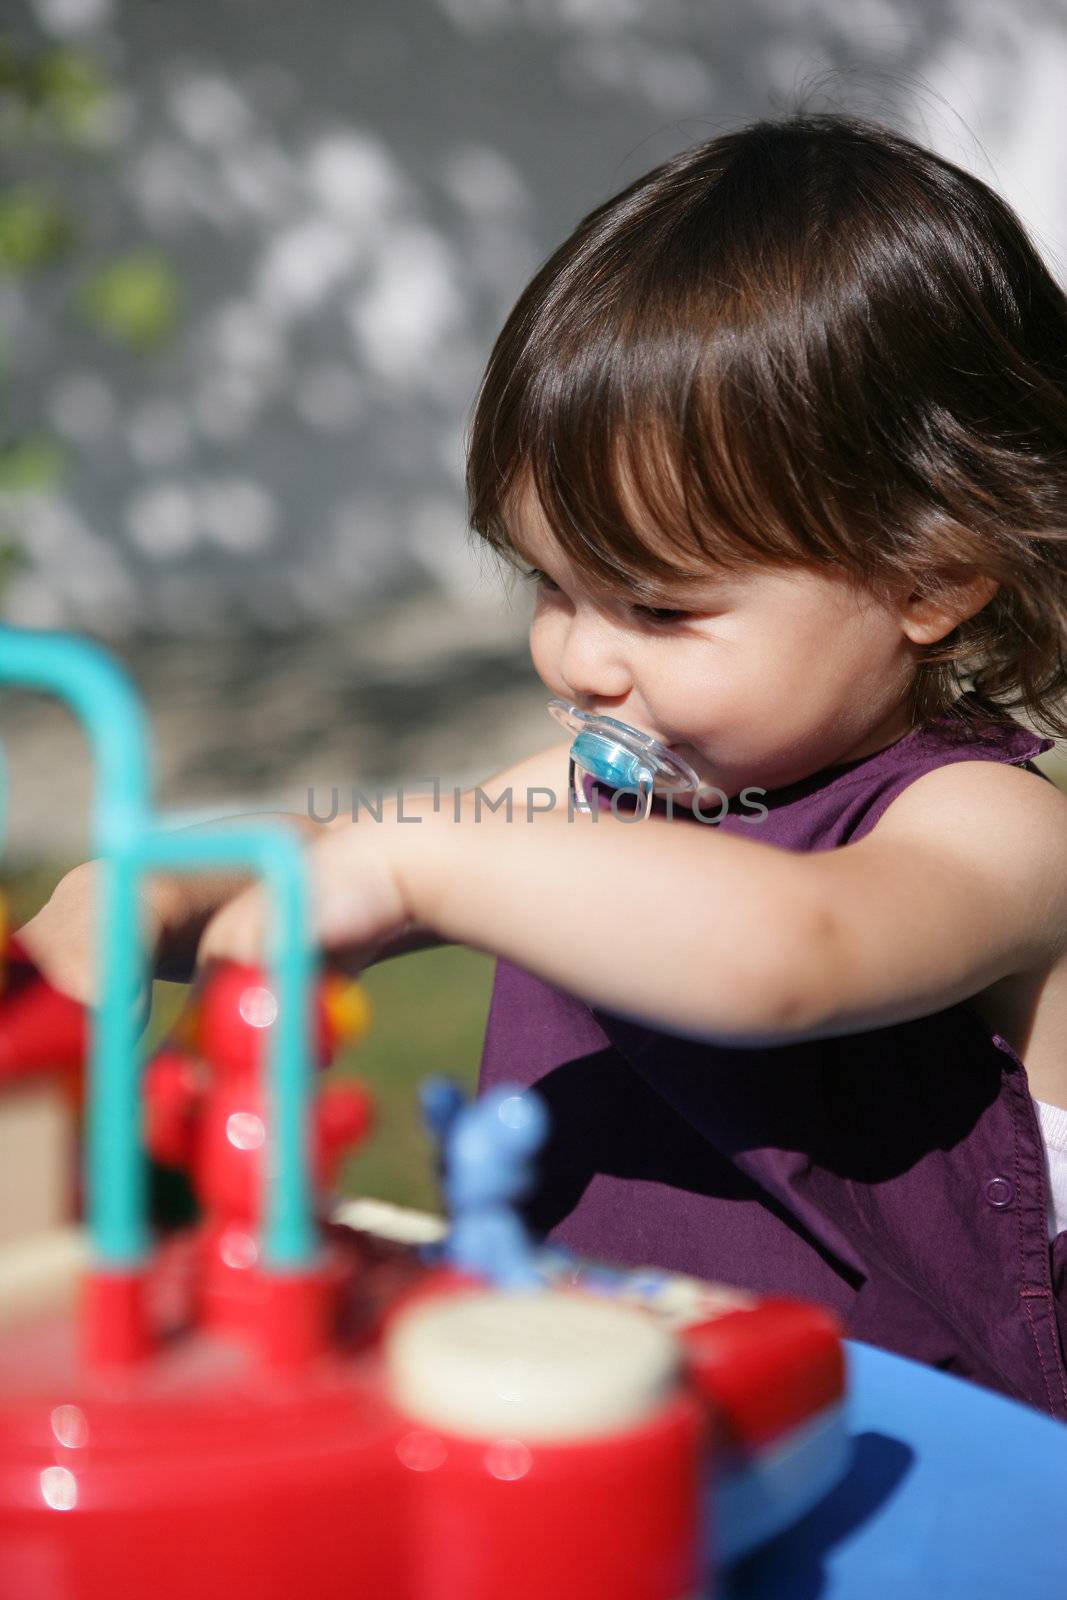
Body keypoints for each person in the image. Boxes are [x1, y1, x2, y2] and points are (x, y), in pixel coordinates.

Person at [19, 112, 1067, 1416]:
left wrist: (429, 861)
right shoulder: (613, 786)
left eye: (659, 609)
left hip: (901, 1475)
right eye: (548, 585)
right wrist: (160, 889)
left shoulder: (988, 830)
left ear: (936, 578)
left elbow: (790, 954)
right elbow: (356, 839)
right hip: (583, 1416)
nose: (578, 658)